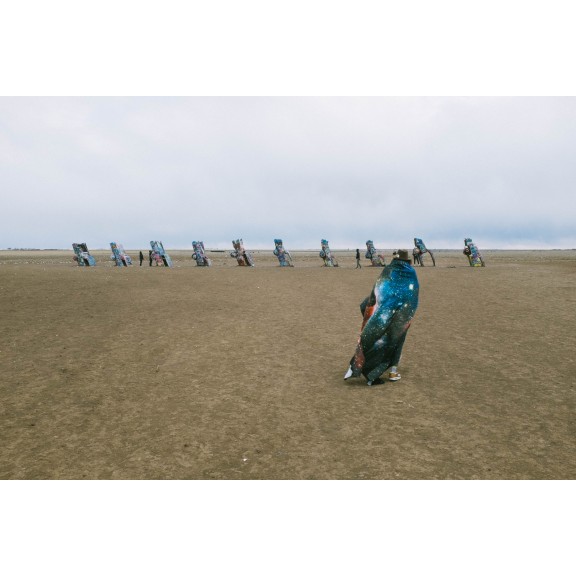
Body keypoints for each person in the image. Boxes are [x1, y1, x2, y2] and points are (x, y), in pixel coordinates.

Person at [344, 249, 419, 386]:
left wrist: (370, 311)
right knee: (397, 341)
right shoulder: (410, 273)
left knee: (376, 340)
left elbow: (375, 293)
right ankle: (391, 372)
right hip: (401, 315)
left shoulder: (388, 270)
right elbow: (411, 294)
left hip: (382, 315)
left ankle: (369, 371)